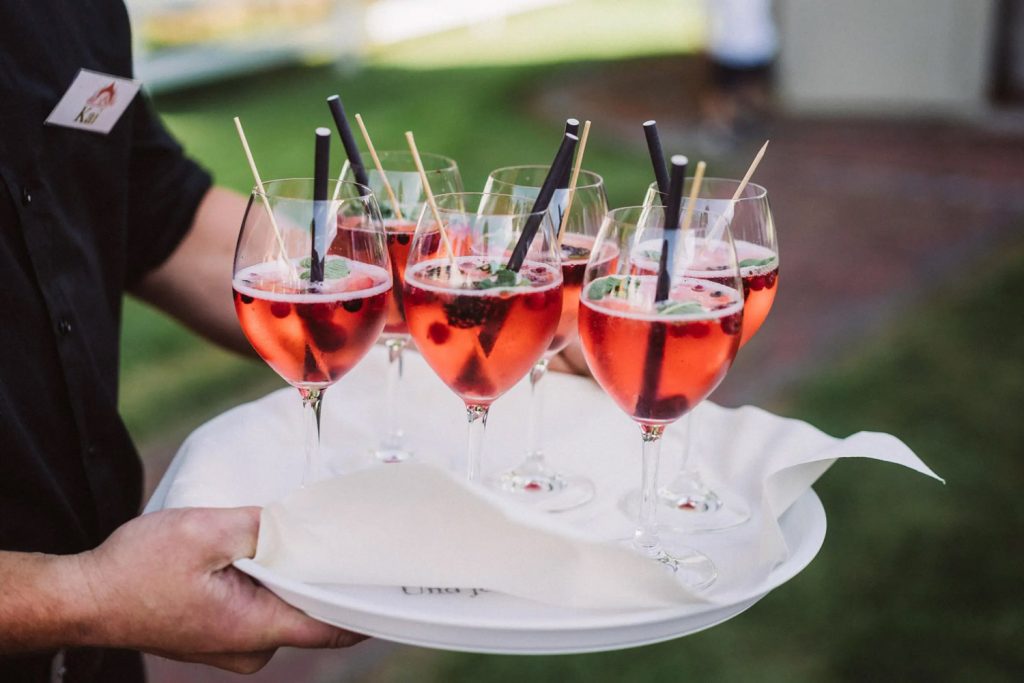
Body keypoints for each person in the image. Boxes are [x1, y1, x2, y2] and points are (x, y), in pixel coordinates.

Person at [0, 1, 364, 680]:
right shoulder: (97, 598)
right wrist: (85, 595)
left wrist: (444, 301)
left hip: (99, 650)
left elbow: (160, 212)